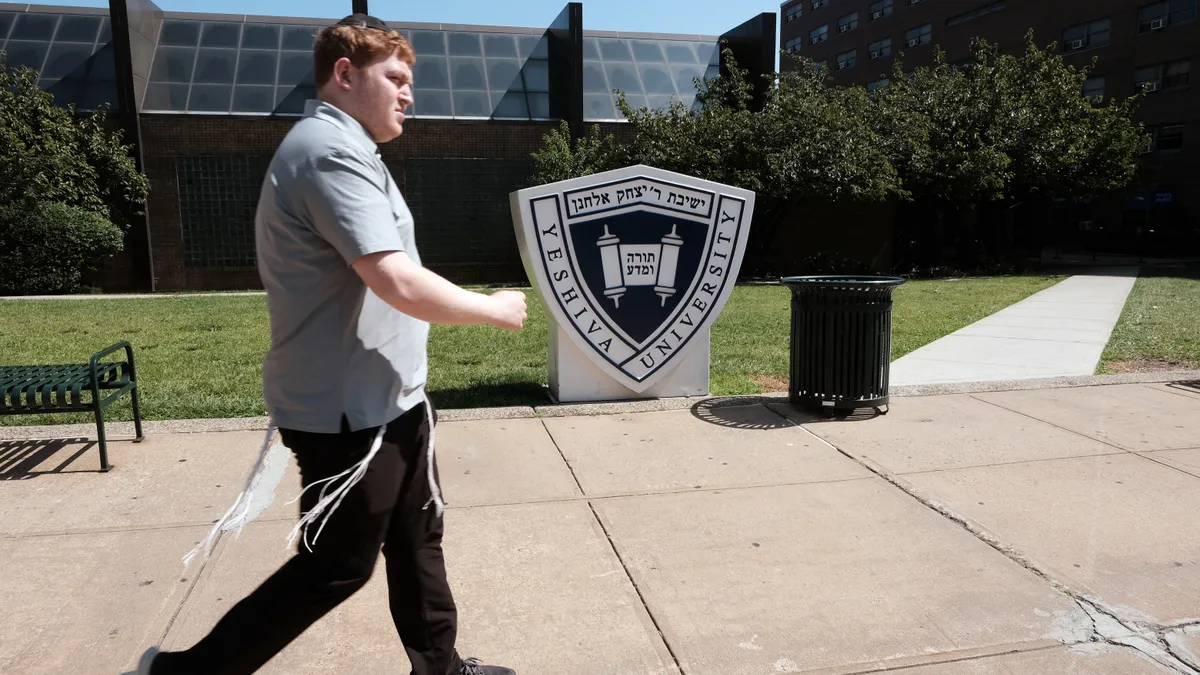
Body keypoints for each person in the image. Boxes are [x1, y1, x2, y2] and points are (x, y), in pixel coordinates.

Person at [136, 14, 526, 675]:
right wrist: (491, 308)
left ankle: (441, 667)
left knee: (416, 538)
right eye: (395, 78)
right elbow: (395, 278)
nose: (409, 94)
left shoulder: (351, 151)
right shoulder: (326, 153)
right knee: (336, 565)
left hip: (392, 401)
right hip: (347, 416)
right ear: (344, 74)